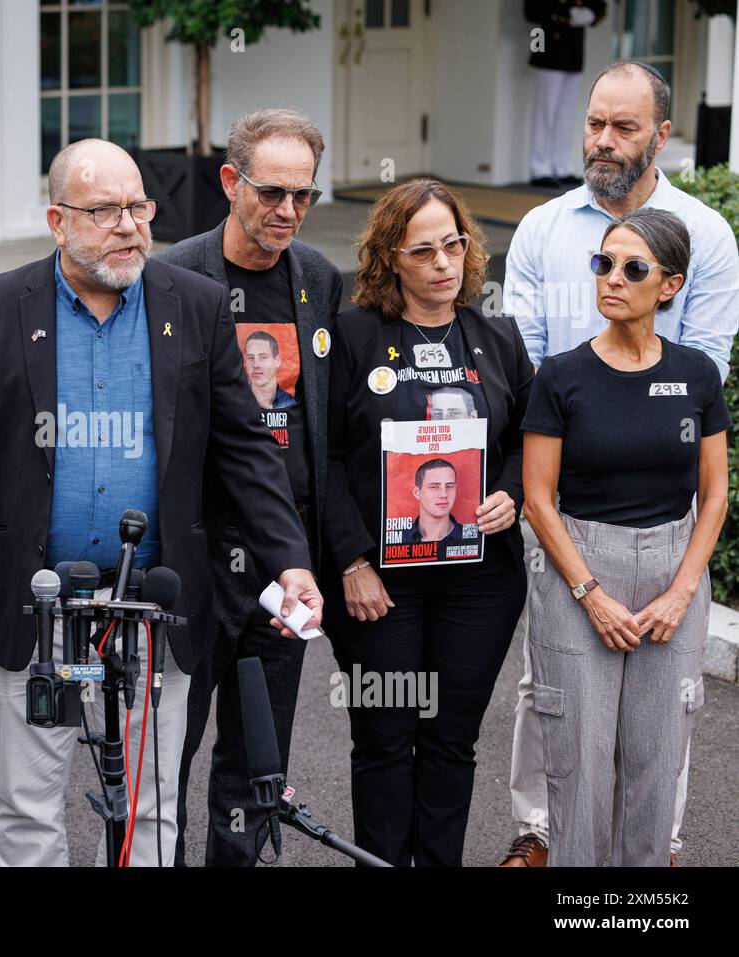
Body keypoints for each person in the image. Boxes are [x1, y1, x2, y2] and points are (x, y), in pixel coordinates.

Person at [0, 138, 322, 867]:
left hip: (154, 607)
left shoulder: (194, 306)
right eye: (105, 210)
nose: (130, 225)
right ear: (58, 219)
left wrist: (290, 559)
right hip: (32, 599)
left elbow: (246, 448)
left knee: (149, 809)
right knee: (28, 811)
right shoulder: (1, 307)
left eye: (139, 207)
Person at [500, 59, 739, 867]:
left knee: (663, 712)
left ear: (662, 136)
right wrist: (571, 419)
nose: (603, 139)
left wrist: (679, 580)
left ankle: (652, 852)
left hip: (664, 515)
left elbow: (697, 380)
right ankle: (544, 836)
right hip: (565, 499)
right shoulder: (541, 229)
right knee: (556, 694)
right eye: (594, 121)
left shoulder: (704, 235)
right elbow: (522, 362)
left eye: (624, 126)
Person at [324, 178, 533, 866]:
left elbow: (532, 439)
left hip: (478, 584)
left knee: (450, 740)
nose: (444, 263)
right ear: (389, 259)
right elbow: (319, 454)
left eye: (454, 244)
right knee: (383, 738)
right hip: (378, 583)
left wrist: (511, 493)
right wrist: (350, 559)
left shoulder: (497, 336)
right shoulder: (352, 336)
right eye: (423, 251)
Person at [155, 107, 341, 866]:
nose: (288, 211)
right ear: (231, 182)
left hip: (281, 557)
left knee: (258, 758)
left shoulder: (320, 280)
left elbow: (332, 423)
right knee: (167, 748)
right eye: (271, 192)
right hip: (193, 553)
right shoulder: (172, 277)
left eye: (304, 195)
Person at [524, 1, 607, 188]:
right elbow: (532, 11)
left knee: (567, 114)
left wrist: (589, 14)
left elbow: (600, 6)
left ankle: (561, 165)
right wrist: (569, 14)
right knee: (545, 113)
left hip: (574, 51)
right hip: (548, 49)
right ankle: (539, 168)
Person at [399, 459, 465, 546]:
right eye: (434, 487)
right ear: (417, 492)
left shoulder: (470, 535)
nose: (444, 494)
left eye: (449, 486)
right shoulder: (399, 538)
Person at [243, 331, 296, 410]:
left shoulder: (290, 405)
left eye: (263, 357)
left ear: (277, 361)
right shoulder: (237, 402)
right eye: (250, 358)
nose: (255, 365)